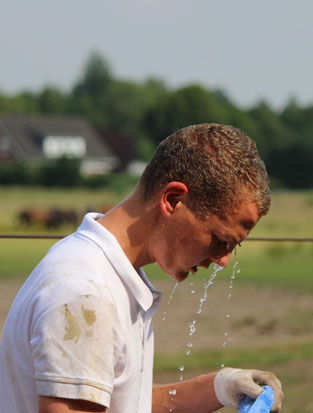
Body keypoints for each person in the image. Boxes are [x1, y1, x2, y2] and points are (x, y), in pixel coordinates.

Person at [0, 123, 284, 413]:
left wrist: (221, 387)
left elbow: (124, 402)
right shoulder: (88, 294)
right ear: (173, 200)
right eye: (221, 240)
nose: (222, 260)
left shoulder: (102, 272)